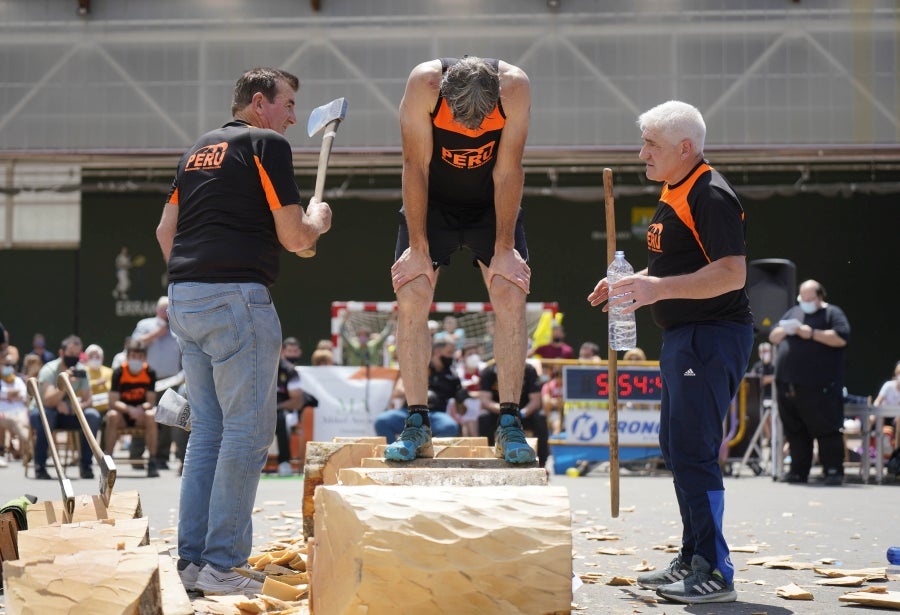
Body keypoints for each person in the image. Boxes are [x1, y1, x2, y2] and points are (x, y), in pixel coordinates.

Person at [156, 66, 332, 596]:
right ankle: (223, 564)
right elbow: (295, 234)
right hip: (237, 298)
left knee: (207, 431)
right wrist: (318, 222)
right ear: (260, 103)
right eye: (289, 104)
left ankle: (193, 562)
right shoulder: (267, 146)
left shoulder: (196, 151)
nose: (294, 117)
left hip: (185, 297)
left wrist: (195, 279)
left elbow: (166, 230)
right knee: (246, 434)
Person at [588, 100, 753, 604]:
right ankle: (692, 554)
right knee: (677, 447)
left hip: (711, 334)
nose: (642, 154)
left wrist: (656, 291)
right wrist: (633, 283)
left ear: (686, 148)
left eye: (651, 145)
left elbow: (732, 273)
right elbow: (678, 264)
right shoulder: (674, 188)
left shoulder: (710, 193)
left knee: (694, 451)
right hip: (686, 336)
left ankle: (714, 569)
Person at [388, 56, 535, 464]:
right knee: (413, 292)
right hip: (432, 202)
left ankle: (509, 423)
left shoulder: (516, 88)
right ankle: (417, 423)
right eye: (462, 123)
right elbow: (415, 166)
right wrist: (418, 248)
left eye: (480, 124)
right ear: (444, 93)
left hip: (492, 204)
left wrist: (504, 249)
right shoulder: (424, 84)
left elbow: (508, 171)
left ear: (498, 98)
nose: (471, 132)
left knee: (509, 293)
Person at [769, 279, 850, 486]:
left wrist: (811, 333)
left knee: (825, 428)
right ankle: (798, 471)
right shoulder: (793, 313)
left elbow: (840, 337)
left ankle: (833, 470)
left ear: (820, 297)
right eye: (802, 298)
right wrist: (784, 331)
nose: (805, 302)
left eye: (809, 298)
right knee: (795, 430)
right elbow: (773, 336)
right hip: (788, 384)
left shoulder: (832, 313)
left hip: (819, 386)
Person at [29, 335, 102, 481]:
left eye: (77, 355)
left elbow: (89, 400)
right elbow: (49, 400)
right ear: (61, 353)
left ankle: (85, 466)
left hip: (68, 413)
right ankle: (40, 467)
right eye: (70, 354)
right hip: (43, 412)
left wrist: (78, 407)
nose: (74, 358)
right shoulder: (49, 369)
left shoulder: (81, 371)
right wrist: (65, 384)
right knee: (47, 415)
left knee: (92, 416)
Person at [374, 340, 462, 444]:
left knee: (450, 426)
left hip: (434, 415)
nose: (453, 356)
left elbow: (461, 407)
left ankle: (427, 452)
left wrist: (465, 398)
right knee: (382, 421)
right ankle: (396, 451)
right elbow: (397, 392)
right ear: (437, 352)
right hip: (409, 412)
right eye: (450, 352)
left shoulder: (453, 376)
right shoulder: (416, 369)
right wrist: (421, 393)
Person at [131, 296, 183, 469]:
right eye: (163, 309)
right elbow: (134, 345)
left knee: (167, 419)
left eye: (169, 309)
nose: (166, 312)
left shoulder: (179, 328)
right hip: (146, 380)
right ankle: (136, 457)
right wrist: (155, 334)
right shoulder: (145, 324)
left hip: (170, 381)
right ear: (157, 310)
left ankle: (161, 457)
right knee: (140, 415)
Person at [478, 359, 549, 467]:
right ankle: (486, 459)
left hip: (522, 413)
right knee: (484, 418)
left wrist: (521, 413)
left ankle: (542, 463)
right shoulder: (488, 371)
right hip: (499, 414)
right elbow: (485, 401)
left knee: (540, 418)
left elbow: (535, 400)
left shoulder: (528, 370)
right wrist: (505, 411)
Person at [106, 340, 160, 478]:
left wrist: (140, 409)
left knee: (151, 415)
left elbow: (151, 401)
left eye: (140, 357)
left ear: (144, 358)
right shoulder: (118, 372)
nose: (136, 359)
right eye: (133, 356)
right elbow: (113, 401)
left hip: (141, 414)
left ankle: (152, 461)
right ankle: (108, 461)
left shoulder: (150, 372)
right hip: (122, 414)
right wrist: (129, 409)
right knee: (112, 415)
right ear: (128, 357)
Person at [274, 337, 305, 477]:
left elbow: (297, 401)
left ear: (280, 351)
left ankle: (284, 462)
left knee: (281, 419)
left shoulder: (289, 370)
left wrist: (277, 406)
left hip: (284, 410)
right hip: (259, 410)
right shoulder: (258, 367)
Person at [0, 350, 30, 467]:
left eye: (12, 365)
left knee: (23, 426)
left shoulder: (17, 380)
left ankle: (25, 452)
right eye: (7, 365)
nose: (9, 368)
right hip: (2, 414)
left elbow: (23, 395)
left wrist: (8, 394)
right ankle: (1, 452)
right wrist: (11, 394)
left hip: (19, 413)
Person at [84, 344, 114, 414]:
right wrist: (97, 383)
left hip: (108, 407)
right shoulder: (83, 371)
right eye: (91, 356)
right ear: (87, 358)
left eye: (97, 356)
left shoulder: (109, 371)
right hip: (89, 407)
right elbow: (82, 390)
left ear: (102, 358)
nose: (94, 358)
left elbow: (111, 389)